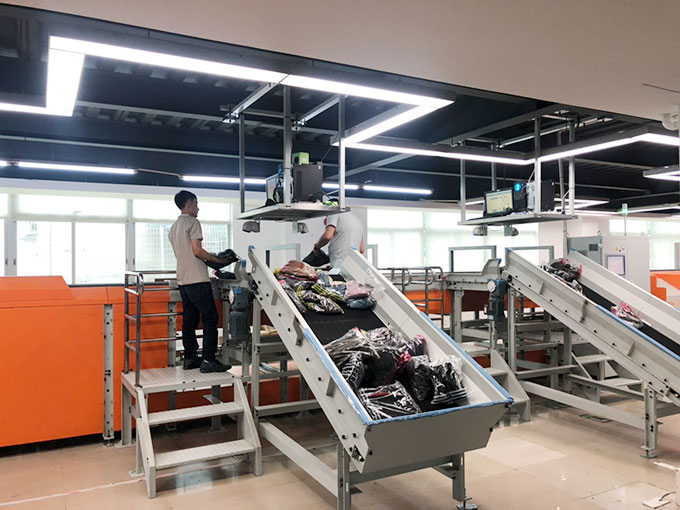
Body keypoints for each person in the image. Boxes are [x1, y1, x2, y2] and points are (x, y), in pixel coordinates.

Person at [168, 190, 232, 373]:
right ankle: (208, 360)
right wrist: (218, 260)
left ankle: (190, 358)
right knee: (210, 318)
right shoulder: (193, 222)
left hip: (183, 280)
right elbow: (197, 251)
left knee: (190, 319)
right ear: (189, 203)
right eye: (196, 204)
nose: (198, 208)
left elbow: (186, 253)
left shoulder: (173, 227)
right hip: (197, 279)